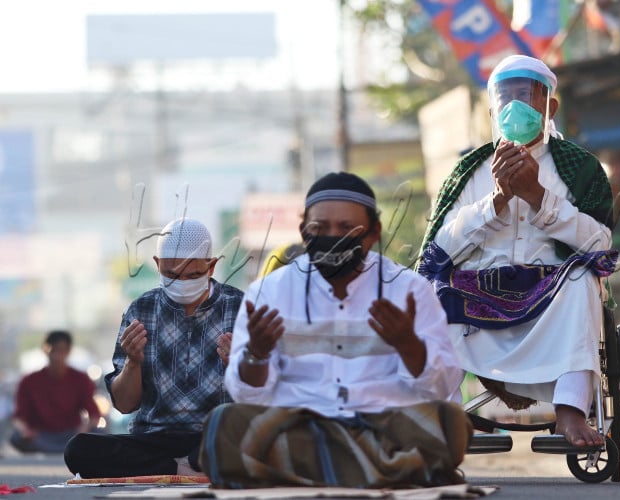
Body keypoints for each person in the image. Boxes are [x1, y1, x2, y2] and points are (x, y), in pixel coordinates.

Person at [199, 172, 470, 489]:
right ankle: (381, 471)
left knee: (450, 424)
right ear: (303, 231)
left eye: (346, 228)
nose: (333, 236)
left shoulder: (409, 290)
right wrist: (255, 355)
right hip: (300, 427)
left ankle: (311, 472)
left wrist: (409, 345)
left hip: (386, 426)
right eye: (320, 228)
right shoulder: (268, 293)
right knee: (223, 425)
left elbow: (442, 388)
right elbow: (246, 395)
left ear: (373, 233)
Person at [417, 55, 618, 448]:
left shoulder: (579, 168)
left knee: (582, 281)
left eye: (526, 95)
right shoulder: (469, 171)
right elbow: (439, 250)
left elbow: (600, 245)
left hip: (551, 292)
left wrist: (538, 197)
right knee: (435, 295)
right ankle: (451, 414)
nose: (515, 106)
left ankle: (571, 412)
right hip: (478, 291)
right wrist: (496, 200)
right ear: (492, 110)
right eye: (505, 97)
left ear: (549, 107)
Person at [64, 217, 244, 478]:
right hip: (155, 438)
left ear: (212, 266)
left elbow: (261, 395)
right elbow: (125, 406)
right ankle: (182, 468)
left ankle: (190, 464)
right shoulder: (141, 310)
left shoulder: (239, 307)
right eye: (171, 275)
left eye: (193, 275)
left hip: (216, 435)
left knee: (257, 442)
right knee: (79, 449)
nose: (182, 283)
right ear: (158, 265)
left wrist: (238, 366)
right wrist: (133, 362)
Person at [10, 330, 101, 453]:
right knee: (16, 437)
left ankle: (71, 448)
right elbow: (18, 418)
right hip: (40, 436)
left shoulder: (80, 379)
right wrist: (24, 430)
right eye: (53, 350)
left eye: (61, 350)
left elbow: (94, 415)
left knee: (99, 434)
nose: (56, 356)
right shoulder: (28, 381)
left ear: (68, 351)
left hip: (72, 435)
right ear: (44, 350)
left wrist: (84, 428)